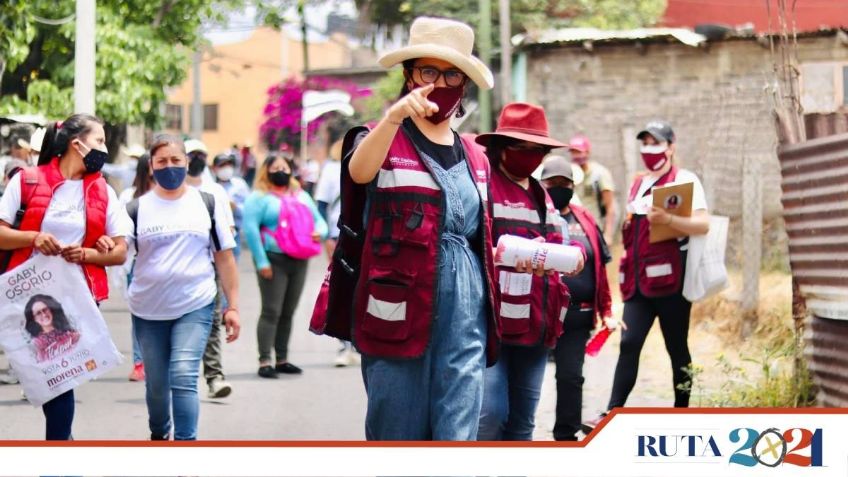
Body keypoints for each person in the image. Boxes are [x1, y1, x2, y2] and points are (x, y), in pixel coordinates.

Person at [345, 16, 515, 441]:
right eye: (428, 71)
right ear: (408, 75)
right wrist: (392, 118)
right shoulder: (380, 137)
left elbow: (477, 232)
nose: (440, 81)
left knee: (457, 432)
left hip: (466, 311)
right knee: (396, 429)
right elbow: (359, 173)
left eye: (452, 73)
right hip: (397, 301)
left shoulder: (476, 155)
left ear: (464, 84)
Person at [0, 113, 131, 440]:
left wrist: (89, 252)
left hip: (80, 297)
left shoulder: (102, 190)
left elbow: (119, 251)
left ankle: (59, 454)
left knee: (61, 378)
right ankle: (62, 449)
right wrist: (33, 238)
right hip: (30, 298)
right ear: (77, 144)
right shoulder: (26, 180)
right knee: (51, 380)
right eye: (99, 141)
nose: (103, 147)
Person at [584, 121, 710, 432]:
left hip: (671, 283)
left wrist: (668, 218)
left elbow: (703, 225)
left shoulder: (684, 179)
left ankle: (682, 413)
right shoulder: (638, 183)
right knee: (629, 343)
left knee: (676, 347)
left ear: (671, 146)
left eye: (656, 143)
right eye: (645, 143)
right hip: (638, 283)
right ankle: (610, 415)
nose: (649, 150)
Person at [474, 103, 583, 441]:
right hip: (491, 322)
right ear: (501, 148)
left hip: (535, 324)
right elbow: (467, 245)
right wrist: (500, 255)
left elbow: (558, 242)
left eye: (538, 151)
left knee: (522, 421)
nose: (531, 157)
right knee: (490, 414)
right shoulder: (483, 188)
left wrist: (570, 258)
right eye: (521, 149)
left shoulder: (542, 196)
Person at [127, 134, 240, 440]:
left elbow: (225, 258)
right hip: (148, 309)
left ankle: (185, 446)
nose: (170, 166)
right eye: (162, 161)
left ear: (187, 162)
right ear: (151, 166)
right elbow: (116, 253)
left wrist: (233, 307)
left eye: (176, 160)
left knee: (183, 375)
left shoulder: (207, 203)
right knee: (157, 386)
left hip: (195, 303)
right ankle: (159, 434)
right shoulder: (136, 208)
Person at [540, 155, 613, 441]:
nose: (559, 187)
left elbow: (600, 267)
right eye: (552, 183)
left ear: (573, 185)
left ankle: (566, 436)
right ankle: (513, 436)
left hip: (576, 315)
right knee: (523, 379)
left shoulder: (585, 219)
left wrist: (606, 310)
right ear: (542, 185)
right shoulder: (535, 214)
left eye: (564, 183)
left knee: (571, 377)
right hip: (539, 313)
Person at [243, 154, 327, 378]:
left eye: (285, 167)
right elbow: (250, 230)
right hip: (273, 259)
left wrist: (321, 232)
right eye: (275, 167)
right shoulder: (259, 198)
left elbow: (318, 219)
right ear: (266, 171)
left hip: (299, 259)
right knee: (271, 310)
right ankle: (264, 361)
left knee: (288, 311)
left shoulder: (300, 195)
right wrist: (261, 261)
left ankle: (282, 358)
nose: (281, 171)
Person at [184, 139, 236, 399]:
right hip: (177, 272)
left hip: (208, 268)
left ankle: (215, 376)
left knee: (212, 322)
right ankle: (182, 377)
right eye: (191, 154)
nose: (196, 159)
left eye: (201, 155)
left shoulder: (215, 192)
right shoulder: (170, 189)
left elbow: (228, 231)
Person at [313, 139, 357, 367]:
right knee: (341, 287)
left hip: (366, 235)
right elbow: (321, 205)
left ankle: (359, 344)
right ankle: (344, 344)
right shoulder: (331, 170)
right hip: (338, 234)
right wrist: (326, 237)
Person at [118, 153, 153, 382]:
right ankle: (139, 363)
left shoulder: (173, 197)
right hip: (137, 266)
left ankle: (159, 362)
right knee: (140, 316)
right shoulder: (129, 198)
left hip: (164, 268)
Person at [568, 135, 618, 245]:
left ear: (587, 152)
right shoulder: (570, 173)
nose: (576, 156)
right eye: (573, 152)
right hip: (574, 228)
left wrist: (608, 234)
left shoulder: (599, 174)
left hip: (594, 227)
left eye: (579, 152)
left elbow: (610, 206)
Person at [211, 153, 250, 261]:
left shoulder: (240, 185)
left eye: (228, 165)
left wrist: (236, 207)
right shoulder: (209, 186)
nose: (226, 168)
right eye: (222, 165)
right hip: (214, 232)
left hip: (234, 231)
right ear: (214, 168)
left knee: (231, 263)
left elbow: (249, 206)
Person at [25, 295, 81, 363]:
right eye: (38, 313)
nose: (44, 314)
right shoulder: (36, 344)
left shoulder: (70, 332)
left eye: (45, 309)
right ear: (34, 319)